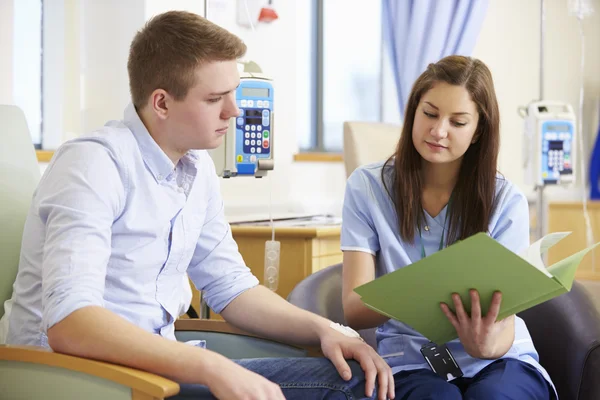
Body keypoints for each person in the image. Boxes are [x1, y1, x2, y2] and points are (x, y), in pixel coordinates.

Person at [2, 11, 394, 400]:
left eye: (233, 94)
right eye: (214, 99)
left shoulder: (195, 169)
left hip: (156, 369)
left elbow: (232, 288)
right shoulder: (93, 165)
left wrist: (326, 329)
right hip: (80, 377)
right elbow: (71, 323)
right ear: (161, 103)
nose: (234, 111)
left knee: (357, 377)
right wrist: (210, 367)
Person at [340, 55, 556, 400]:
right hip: (409, 361)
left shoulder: (505, 201)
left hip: (499, 361)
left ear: (477, 131)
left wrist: (484, 344)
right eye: (429, 114)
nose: (438, 131)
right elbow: (353, 307)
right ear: (413, 112)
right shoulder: (367, 187)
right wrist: (424, 289)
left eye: (458, 122)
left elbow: (504, 327)